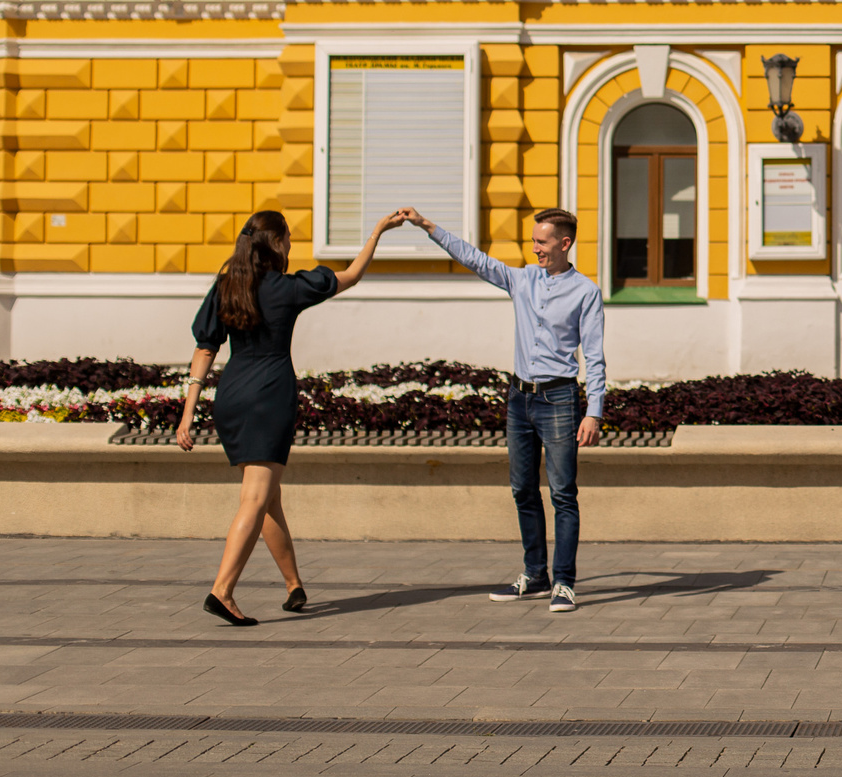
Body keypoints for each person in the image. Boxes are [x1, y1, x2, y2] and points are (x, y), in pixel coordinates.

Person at [177, 208, 395, 626]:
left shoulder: (226, 286)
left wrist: (188, 413)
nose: (292, 244)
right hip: (269, 395)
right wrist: (376, 232)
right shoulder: (287, 288)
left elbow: (205, 349)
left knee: (268, 496)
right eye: (289, 237)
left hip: (231, 395)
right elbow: (350, 276)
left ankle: (294, 585)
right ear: (276, 244)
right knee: (255, 498)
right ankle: (222, 591)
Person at [399, 205, 604, 614]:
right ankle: (535, 574)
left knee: (563, 493)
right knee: (522, 490)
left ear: (565, 243)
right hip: (518, 398)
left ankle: (564, 582)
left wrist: (594, 411)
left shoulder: (586, 292)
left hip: (560, 399)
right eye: (533, 241)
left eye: (542, 242)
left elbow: (595, 357)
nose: (535, 249)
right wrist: (428, 227)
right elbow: (474, 258)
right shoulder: (522, 279)